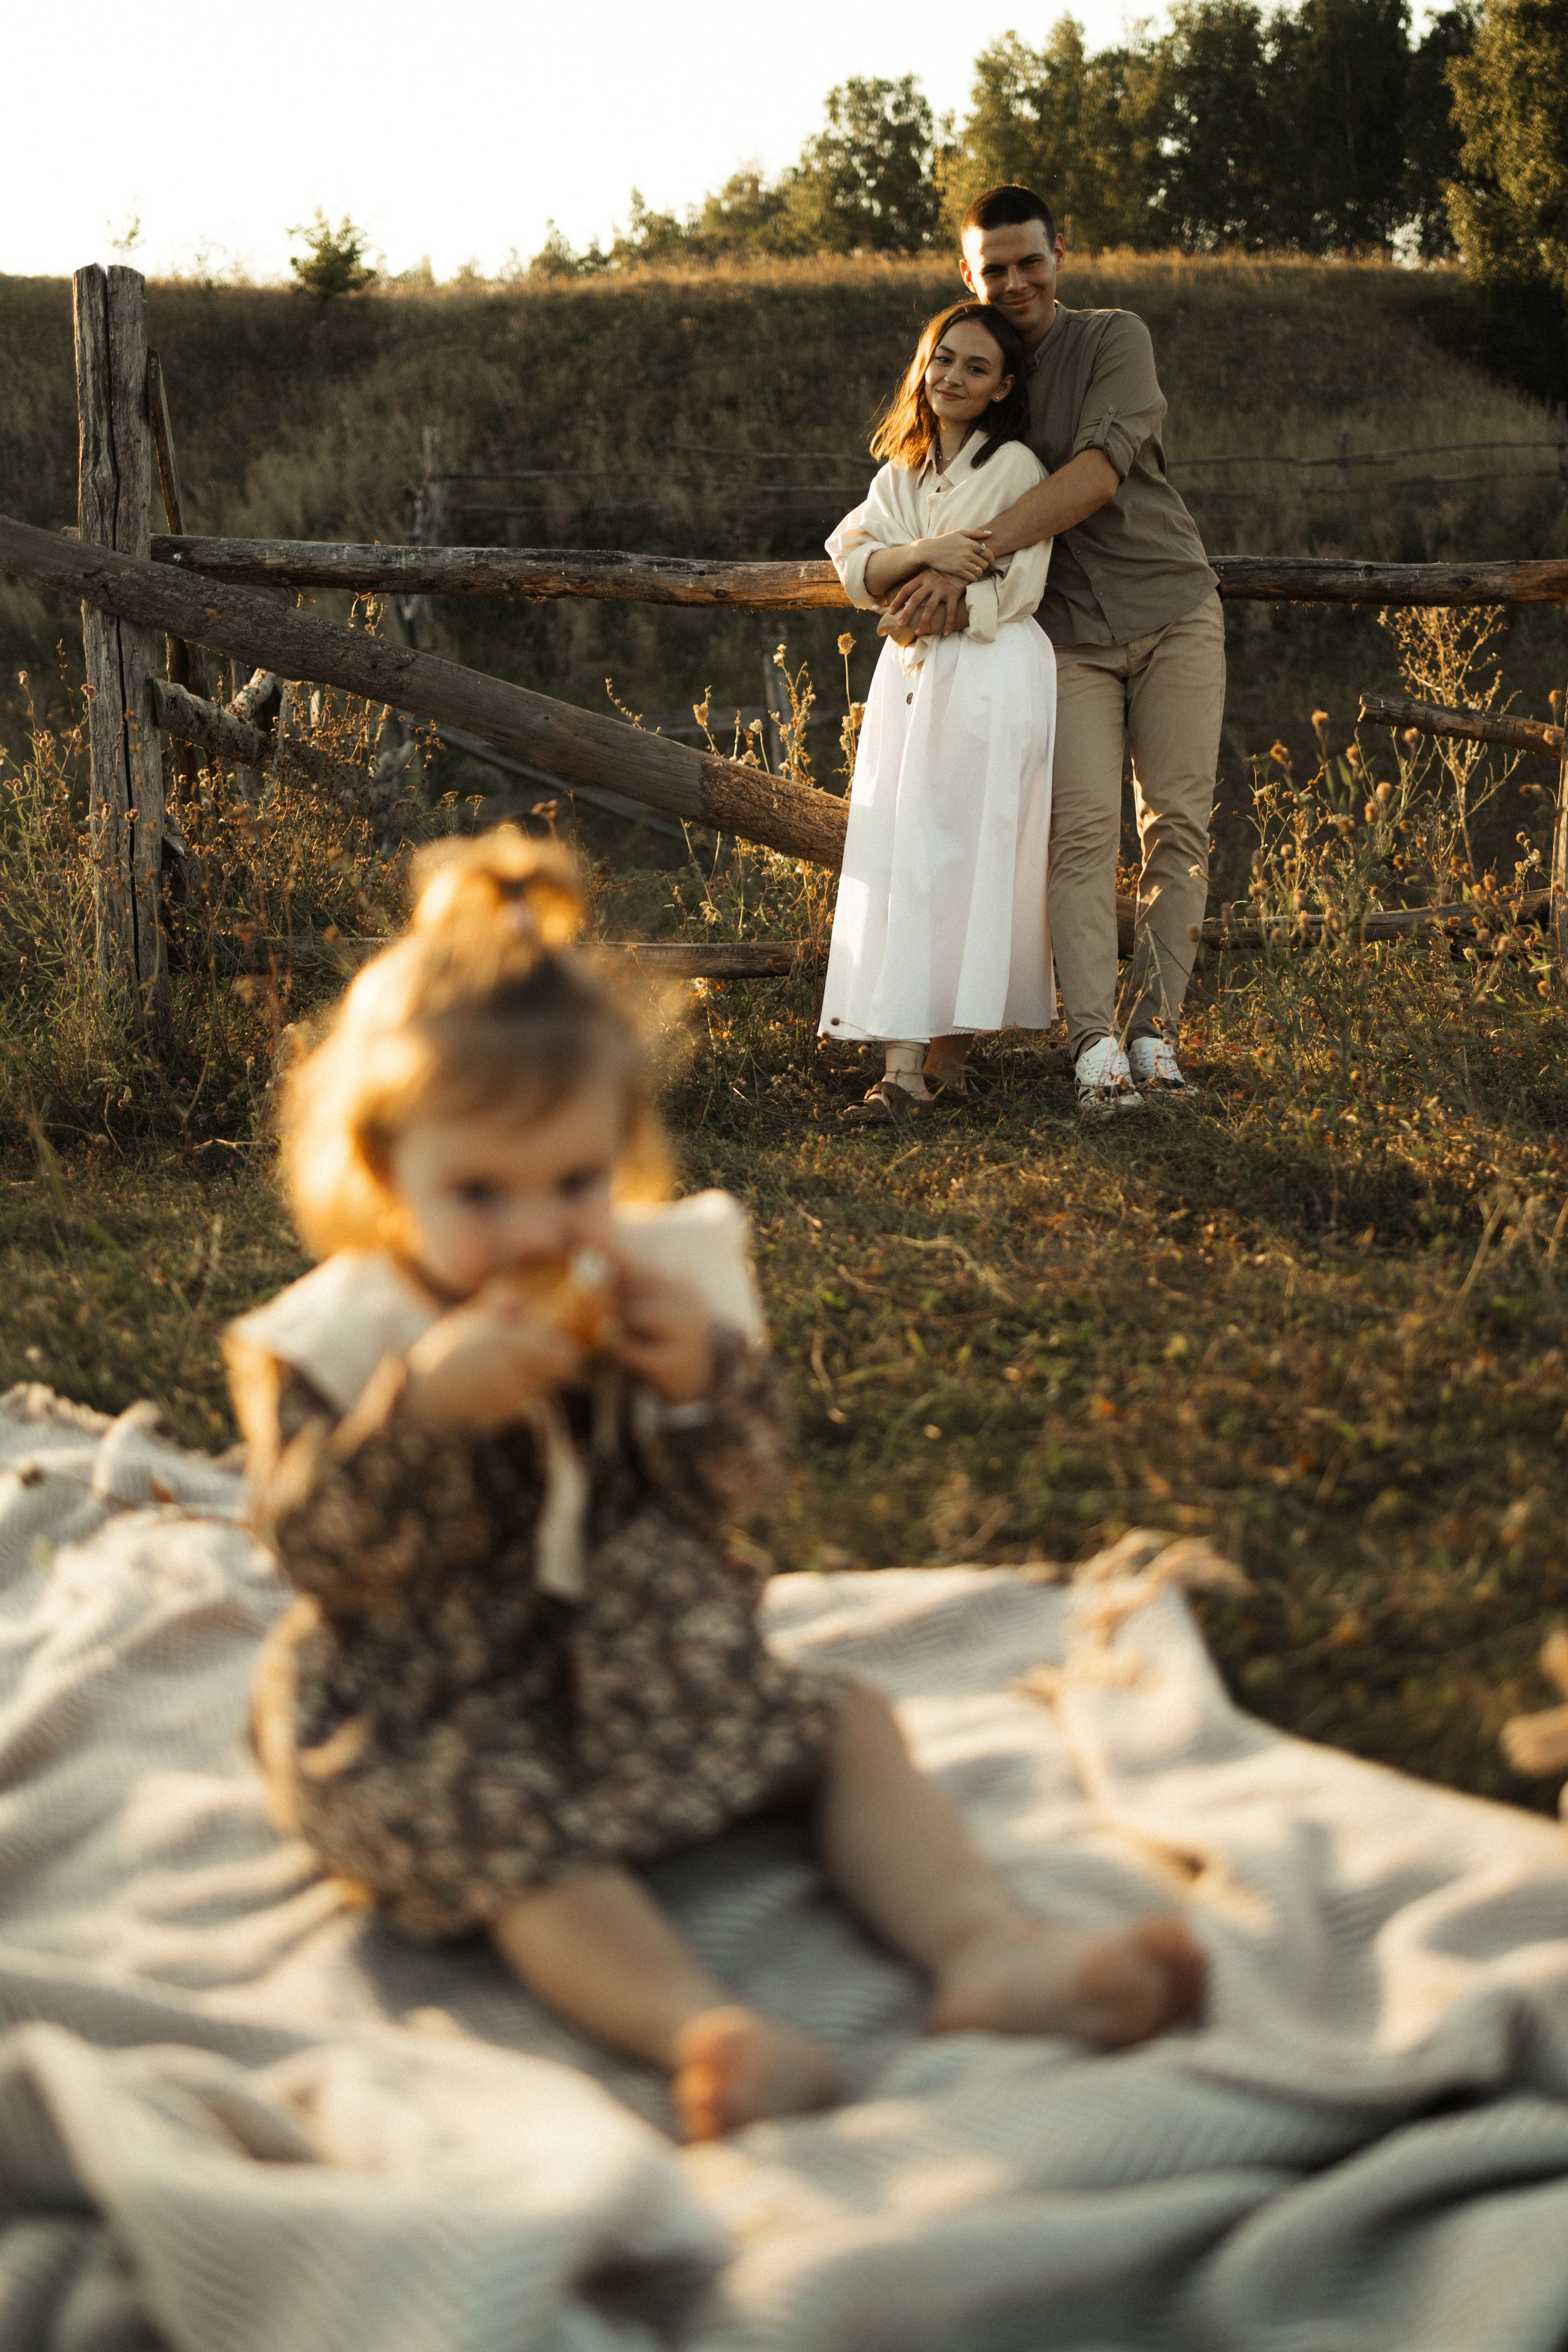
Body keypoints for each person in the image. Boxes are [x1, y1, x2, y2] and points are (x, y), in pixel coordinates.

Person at [224, 828, 1206, 2142]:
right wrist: (421, 1415)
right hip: (435, 1693)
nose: (537, 1230)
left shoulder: (649, 1289)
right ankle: (705, 2030)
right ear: (383, 1170)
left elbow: (740, 1482)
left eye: (576, 1182)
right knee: (504, 1833)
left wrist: (695, 1382)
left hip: (639, 1660)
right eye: (481, 1192)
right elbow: (311, 1550)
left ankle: (988, 1950)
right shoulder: (342, 1341)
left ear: (621, 1156)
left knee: (845, 1723)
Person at [884, 184, 1226, 1117]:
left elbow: (1098, 475)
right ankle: (1094, 1047)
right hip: (1062, 636)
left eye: (1029, 261)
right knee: (1078, 836)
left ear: (1059, 254)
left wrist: (965, 557)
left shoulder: (1116, 339)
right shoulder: (977, 366)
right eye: (994, 268)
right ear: (969, 274)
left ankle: (1156, 1037)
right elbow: (920, 480)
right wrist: (917, 558)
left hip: (1173, 607)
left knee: (1177, 829)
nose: (1015, 281)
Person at [820, 301, 1057, 1122]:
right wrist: (925, 553)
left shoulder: (1017, 468)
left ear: (1003, 388)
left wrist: (938, 601)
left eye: (976, 367)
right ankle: (911, 1070)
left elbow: (1021, 583)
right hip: (912, 681)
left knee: (970, 854)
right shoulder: (902, 474)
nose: (953, 377)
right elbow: (852, 562)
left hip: (991, 673)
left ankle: (933, 1066)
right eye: (943, 359)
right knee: (906, 850)